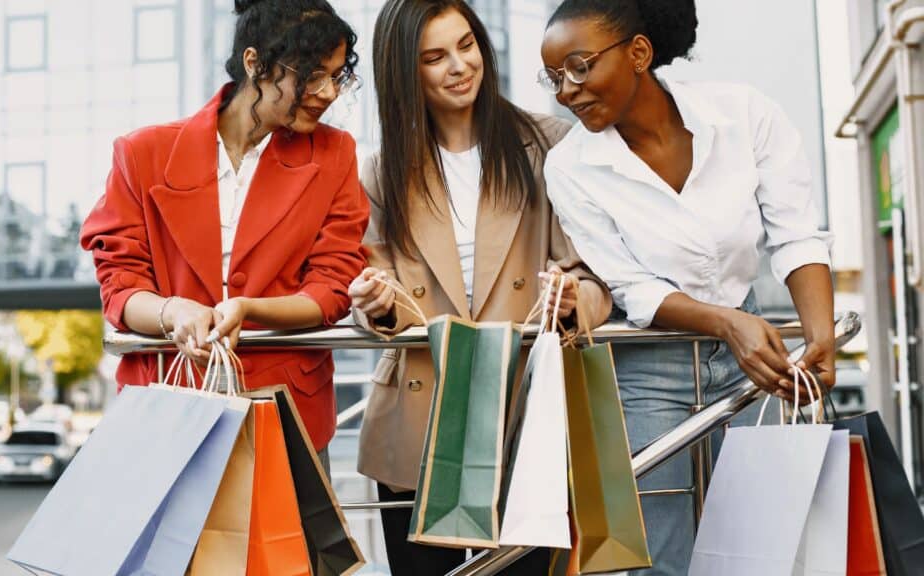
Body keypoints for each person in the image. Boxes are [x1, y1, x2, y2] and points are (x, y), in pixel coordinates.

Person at [539, 1, 835, 574]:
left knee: (760, 552)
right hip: (648, 367)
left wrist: (819, 337)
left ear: (639, 53)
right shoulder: (569, 166)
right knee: (655, 558)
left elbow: (796, 232)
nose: (566, 91)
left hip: (757, 359)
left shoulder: (743, 114)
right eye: (554, 78)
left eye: (579, 67)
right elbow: (631, 286)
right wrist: (728, 323)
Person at [347, 1, 611, 573]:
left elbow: (594, 273)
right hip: (421, 418)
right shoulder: (380, 171)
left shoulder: (548, 145)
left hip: (526, 412)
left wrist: (572, 300)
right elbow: (377, 289)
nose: (460, 66)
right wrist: (375, 303)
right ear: (404, 71)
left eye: (466, 45)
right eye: (435, 57)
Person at [79, 0, 369, 461]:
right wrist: (172, 311)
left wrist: (249, 308)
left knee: (290, 537)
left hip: (289, 416)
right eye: (313, 76)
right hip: (167, 413)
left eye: (337, 76)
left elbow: (333, 288)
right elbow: (120, 286)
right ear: (254, 63)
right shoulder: (142, 154)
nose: (329, 92)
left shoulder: (335, 154)